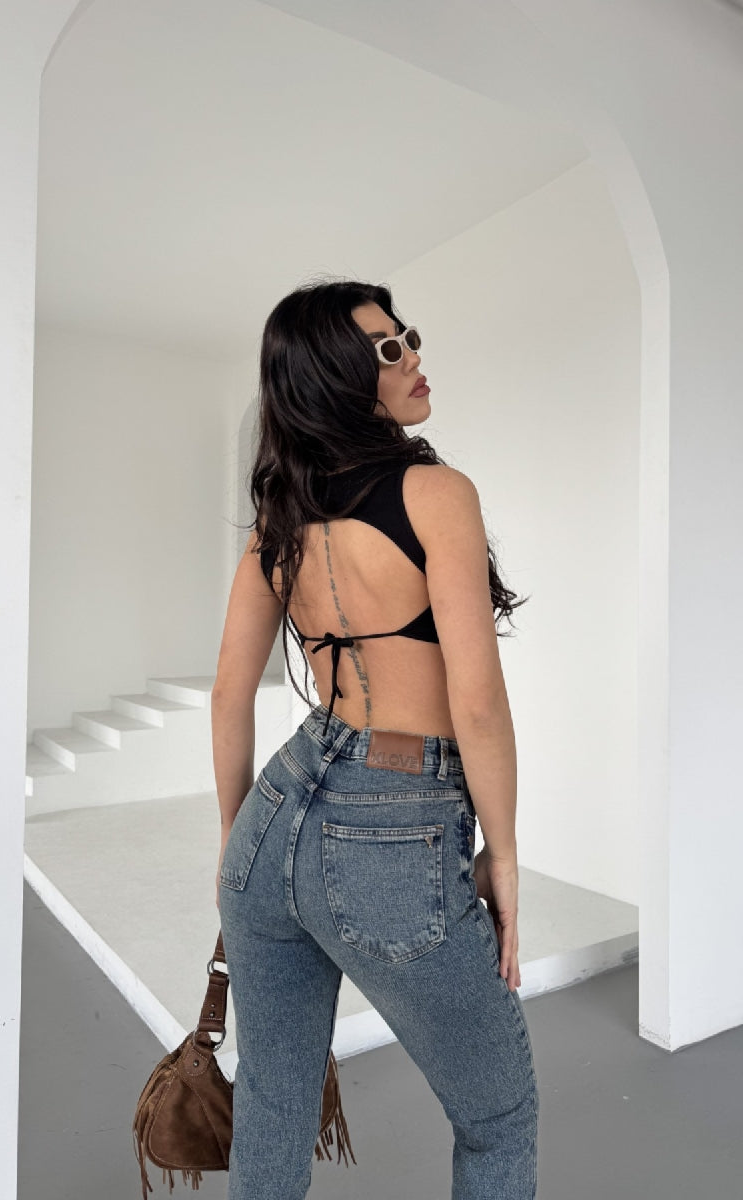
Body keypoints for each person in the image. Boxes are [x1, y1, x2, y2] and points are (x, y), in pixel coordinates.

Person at [212, 278, 539, 1199]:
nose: (413, 357)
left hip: (277, 808)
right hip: (394, 818)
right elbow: (477, 703)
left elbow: (229, 693)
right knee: (499, 1119)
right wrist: (504, 854)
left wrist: (236, 849)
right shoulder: (437, 493)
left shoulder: (278, 517)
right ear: (336, 377)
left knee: (273, 1107)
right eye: (389, 350)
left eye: (408, 338)